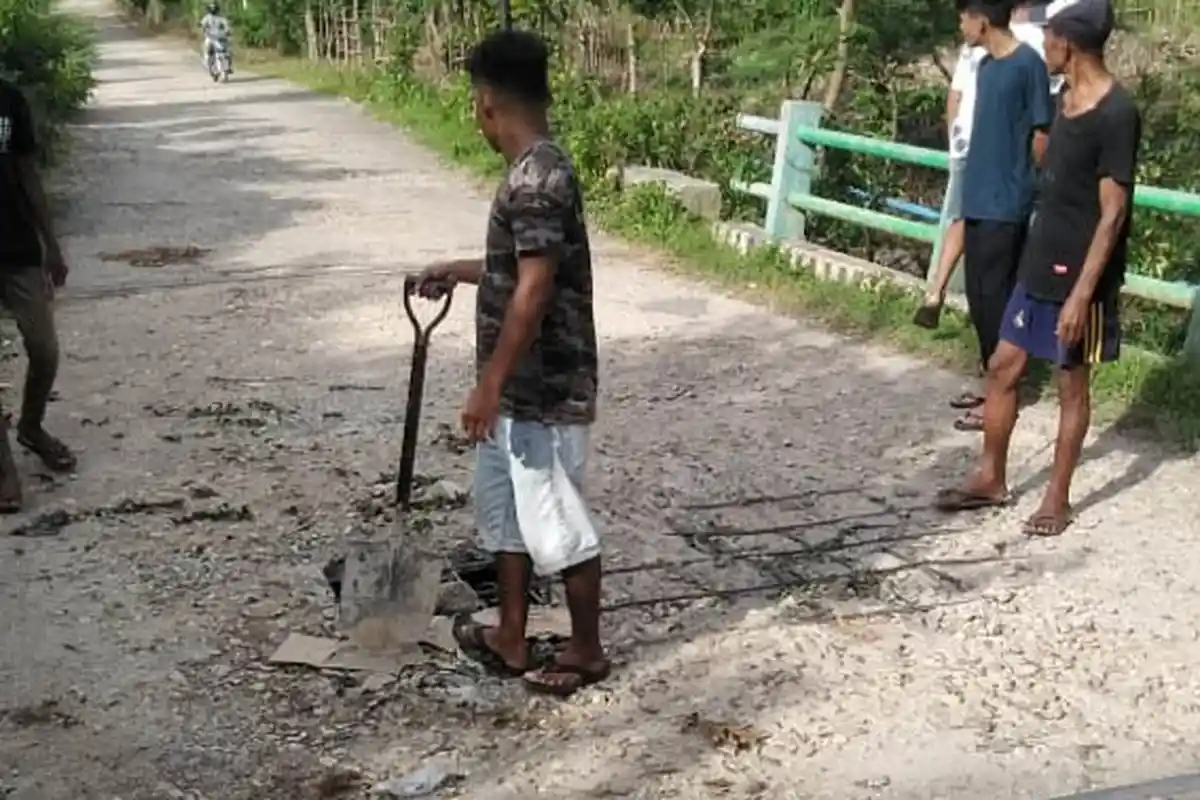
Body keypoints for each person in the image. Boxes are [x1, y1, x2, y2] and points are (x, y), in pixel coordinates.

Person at [411, 29, 607, 697]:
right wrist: (457, 270)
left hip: (542, 391)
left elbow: (535, 289)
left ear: (488, 101)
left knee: (556, 521)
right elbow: (513, 270)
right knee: (505, 512)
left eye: (474, 100)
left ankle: (586, 650)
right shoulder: (530, 175)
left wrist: (487, 387)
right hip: (518, 392)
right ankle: (512, 634)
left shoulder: (539, 180)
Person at [936, 0, 1138, 536]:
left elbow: (1113, 214)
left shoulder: (1117, 113)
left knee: (1072, 385)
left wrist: (1081, 295)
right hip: (1037, 257)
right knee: (1003, 366)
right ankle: (990, 477)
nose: (1042, 43)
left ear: (1067, 43)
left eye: (1048, 36)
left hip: (1082, 276)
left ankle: (1057, 498)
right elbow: (1046, 169)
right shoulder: (1060, 98)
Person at [920, 0, 1055, 432]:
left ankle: (1005, 395)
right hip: (977, 193)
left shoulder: (1027, 64)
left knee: (998, 299)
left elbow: (1041, 132)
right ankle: (989, 379)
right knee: (979, 298)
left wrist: (1030, 180)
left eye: (963, 17)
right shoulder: (986, 65)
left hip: (1006, 198)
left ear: (981, 18)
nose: (961, 25)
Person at [0, 78, 77, 512]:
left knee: (44, 349)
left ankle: (31, 426)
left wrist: (51, 243)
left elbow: (28, 173)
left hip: (17, 249)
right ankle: (3, 467)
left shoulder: (10, 98)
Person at [199, 3, 233, 74]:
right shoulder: (207, 18)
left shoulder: (221, 18)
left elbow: (226, 25)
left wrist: (227, 31)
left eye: (214, 9)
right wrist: (203, 28)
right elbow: (203, 25)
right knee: (207, 49)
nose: (213, 10)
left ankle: (228, 66)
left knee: (228, 51)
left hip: (220, 37)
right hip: (210, 37)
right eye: (211, 9)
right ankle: (207, 62)